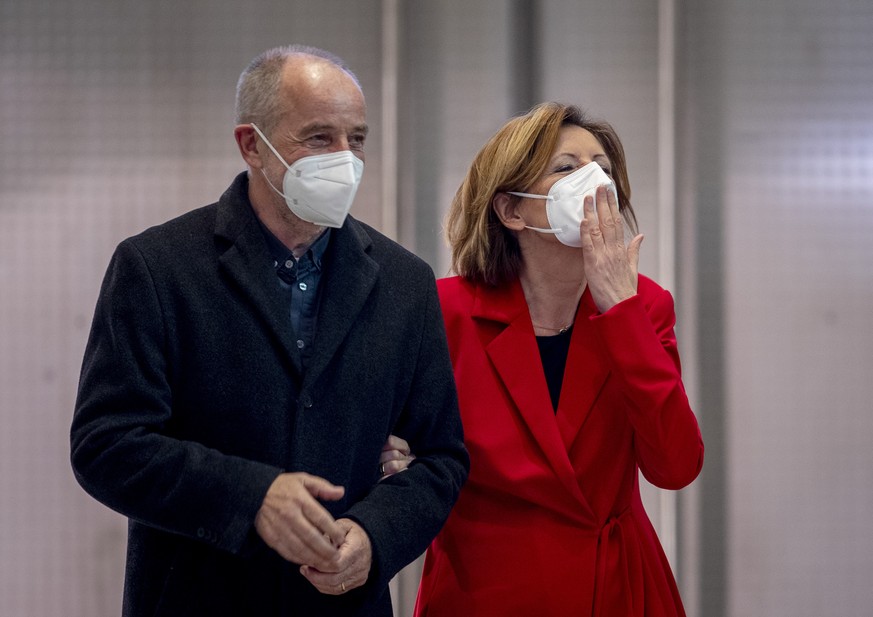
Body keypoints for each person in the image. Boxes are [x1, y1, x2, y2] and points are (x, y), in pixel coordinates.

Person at [70, 45, 468, 617]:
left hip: (340, 603)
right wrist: (251, 496)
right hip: (196, 597)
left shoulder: (404, 282)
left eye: (356, 139)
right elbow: (106, 445)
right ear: (251, 144)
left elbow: (440, 457)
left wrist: (375, 537)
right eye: (318, 137)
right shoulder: (158, 268)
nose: (344, 159)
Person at [413, 102, 704, 616]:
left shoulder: (646, 306)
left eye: (604, 169)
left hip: (615, 588)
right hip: (483, 591)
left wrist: (621, 311)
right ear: (511, 210)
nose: (593, 181)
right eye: (567, 168)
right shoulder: (444, 311)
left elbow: (676, 466)